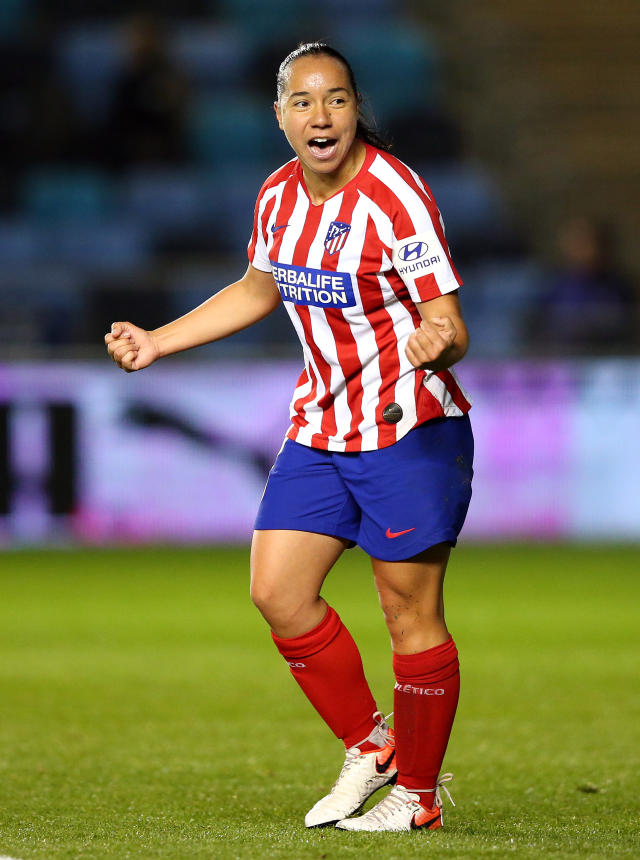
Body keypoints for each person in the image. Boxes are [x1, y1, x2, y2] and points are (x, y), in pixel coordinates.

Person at [105, 42, 474, 833]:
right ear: (279, 117)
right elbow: (256, 288)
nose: (321, 115)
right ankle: (372, 746)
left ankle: (417, 798)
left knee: (408, 614)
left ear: (355, 108)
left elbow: (449, 319)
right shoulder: (276, 196)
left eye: (336, 99)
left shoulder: (396, 195)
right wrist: (159, 341)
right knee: (277, 592)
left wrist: (437, 339)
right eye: (303, 102)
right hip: (320, 427)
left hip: (407, 426)